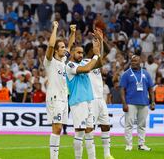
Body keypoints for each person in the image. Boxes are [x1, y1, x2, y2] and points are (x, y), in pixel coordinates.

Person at [65, 37, 102, 159]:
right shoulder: (70, 65)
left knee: (90, 132)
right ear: (72, 53)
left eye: (82, 53)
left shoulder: (83, 62)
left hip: (88, 100)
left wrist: (98, 48)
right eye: (78, 52)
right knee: (80, 132)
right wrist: (95, 56)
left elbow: (99, 64)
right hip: (78, 102)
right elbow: (86, 69)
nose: (81, 55)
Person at [44, 21, 75, 159]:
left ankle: (55, 156)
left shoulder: (63, 61)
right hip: (54, 97)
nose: (65, 49)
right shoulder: (49, 61)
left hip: (64, 98)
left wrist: (73, 32)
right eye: (61, 47)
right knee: (56, 127)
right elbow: (51, 44)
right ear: (56, 50)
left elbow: (71, 45)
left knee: (60, 128)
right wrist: (55, 28)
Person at [84, 29, 115, 159]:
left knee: (106, 125)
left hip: (101, 99)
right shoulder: (85, 63)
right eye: (95, 47)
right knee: (89, 129)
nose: (98, 48)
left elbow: (108, 51)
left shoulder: (96, 60)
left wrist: (102, 40)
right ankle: (92, 156)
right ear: (91, 50)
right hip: (90, 100)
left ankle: (107, 154)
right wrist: (99, 48)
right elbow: (101, 60)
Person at [120, 55, 155, 151]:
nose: (133, 62)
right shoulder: (126, 74)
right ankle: (128, 145)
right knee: (129, 124)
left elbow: (151, 89)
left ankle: (141, 145)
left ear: (140, 62)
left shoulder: (146, 74)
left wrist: (152, 102)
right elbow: (122, 89)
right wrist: (124, 103)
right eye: (132, 61)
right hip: (131, 102)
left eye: (135, 61)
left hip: (144, 102)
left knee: (142, 125)